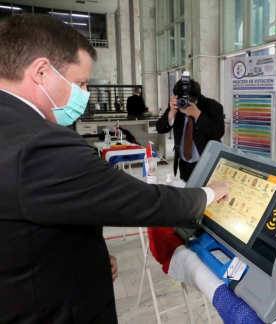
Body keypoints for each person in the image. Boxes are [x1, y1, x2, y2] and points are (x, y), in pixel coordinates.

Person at [0, 15, 231, 323]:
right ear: (41, 71)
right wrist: (207, 194)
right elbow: (143, 202)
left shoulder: (13, 127)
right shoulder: (39, 145)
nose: (84, 93)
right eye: (81, 83)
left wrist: (86, 257)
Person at [157, 78, 225, 182]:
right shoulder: (177, 106)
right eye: (179, 98)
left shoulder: (213, 106)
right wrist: (171, 113)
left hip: (207, 162)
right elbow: (160, 128)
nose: (184, 102)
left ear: (195, 97)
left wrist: (197, 114)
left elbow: (218, 132)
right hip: (185, 164)